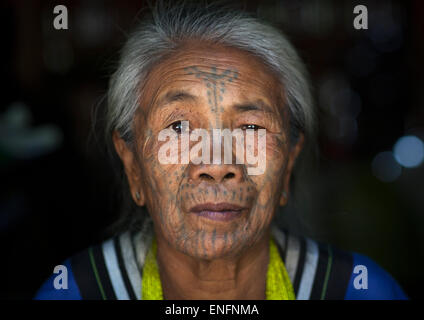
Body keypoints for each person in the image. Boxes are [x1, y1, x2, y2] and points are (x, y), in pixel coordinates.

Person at [35, 1, 408, 300]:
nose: (216, 165)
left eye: (250, 127)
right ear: (133, 166)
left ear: (290, 160)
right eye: (178, 127)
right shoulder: (78, 291)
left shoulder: (356, 290)